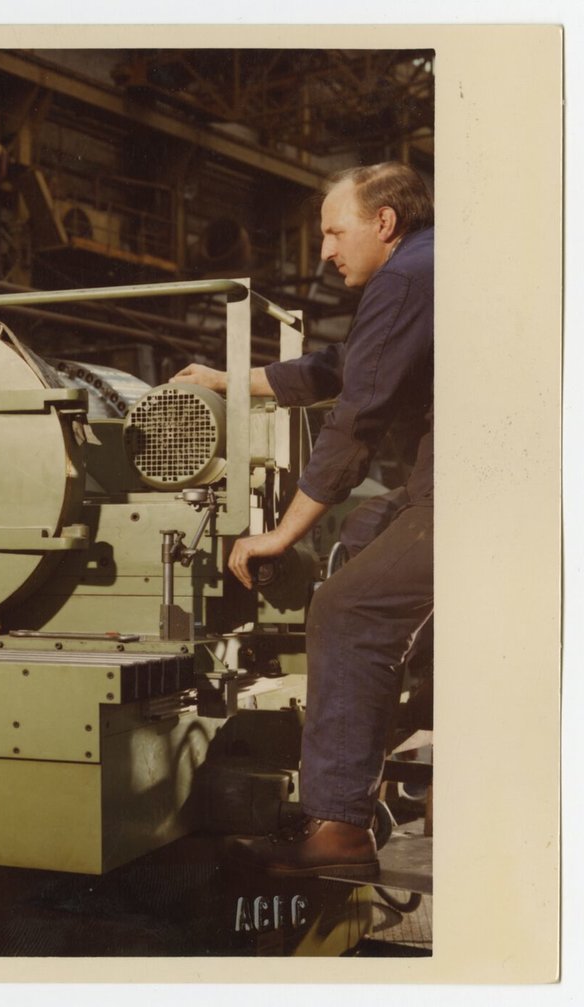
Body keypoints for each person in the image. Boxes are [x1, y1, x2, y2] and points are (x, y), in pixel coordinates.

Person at [172, 162, 433, 878]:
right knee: (358, 539)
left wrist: (281, 533)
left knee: (345, 608)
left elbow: (355, 423)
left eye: (333, 231)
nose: (324, 249)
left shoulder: (406, 279)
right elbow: (340, 368)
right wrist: (230, 381)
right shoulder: (421, 270)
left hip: (468, 490)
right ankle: (371, 742)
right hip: (440, 480)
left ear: (384, 222)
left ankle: (341, 831)